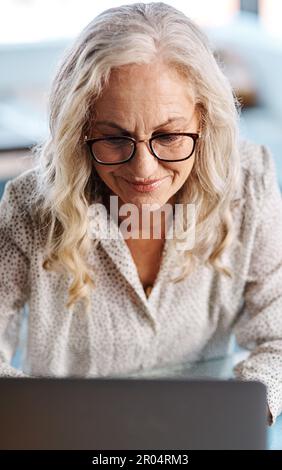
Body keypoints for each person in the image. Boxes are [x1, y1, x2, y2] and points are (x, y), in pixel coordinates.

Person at [0, 2, 281, 426]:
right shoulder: (30, 207)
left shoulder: (250, 182)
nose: (143, 171)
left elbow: (278, 335)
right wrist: (41, 419)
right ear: (81, 132)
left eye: (168, 136)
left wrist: (238, 416)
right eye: (114, 139)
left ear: (205, 121)